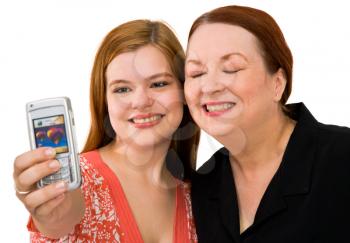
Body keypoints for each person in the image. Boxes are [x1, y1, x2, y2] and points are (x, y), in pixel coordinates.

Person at [13, 19, 200, 242]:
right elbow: (60, 219)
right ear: (105, 101)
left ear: (184, 90)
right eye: (122, 89)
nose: (140, 101)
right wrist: (50, 217)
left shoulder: (196, 199)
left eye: (158, 84)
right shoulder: (78, 181)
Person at [184, 5, 350, 243]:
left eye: (231, 68)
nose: (209, 87)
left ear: (278, 83)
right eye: (196, 73)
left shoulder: (342, 158)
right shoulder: (202, 187)